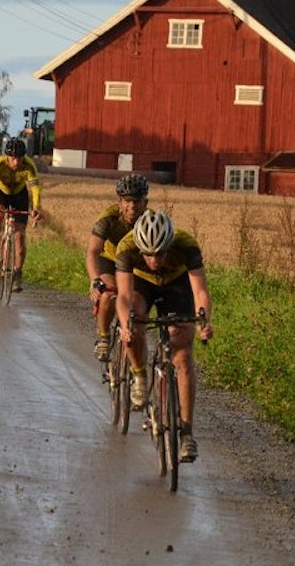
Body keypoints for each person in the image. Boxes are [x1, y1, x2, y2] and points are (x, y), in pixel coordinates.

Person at [114, 209, 214, 462]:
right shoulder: (126, 248)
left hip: (176, 284)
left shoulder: (186, 245)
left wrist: (204, 320)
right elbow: (124, 297)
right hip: (142, 285)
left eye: (159, 253)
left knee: (182, 354)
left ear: (169, 246)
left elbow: (200, 291)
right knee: (135, 325)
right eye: (147, 254)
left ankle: (187, 434)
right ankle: (139, 375)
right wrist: (126, 325)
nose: (154, 260)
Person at [86, 173, 150, 362]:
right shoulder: (108, 218)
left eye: (137, 201)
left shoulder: (149, 220)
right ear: (120, 202)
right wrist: (94, 280)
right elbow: (93, 251)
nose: (132, 206)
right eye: (127, 201)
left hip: (134, 266)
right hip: (110, 260)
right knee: (108, 294)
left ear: (145, 202)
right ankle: (104, 337)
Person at [0, 137, 43, 292]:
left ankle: (17, 274)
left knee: (20, 236)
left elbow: (35, 188)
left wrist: (36, 207)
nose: (17, 162)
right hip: (0, 192)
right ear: (7, 156)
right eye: (13, 158)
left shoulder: (29, 165)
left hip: (19, 195)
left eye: (20, 158)